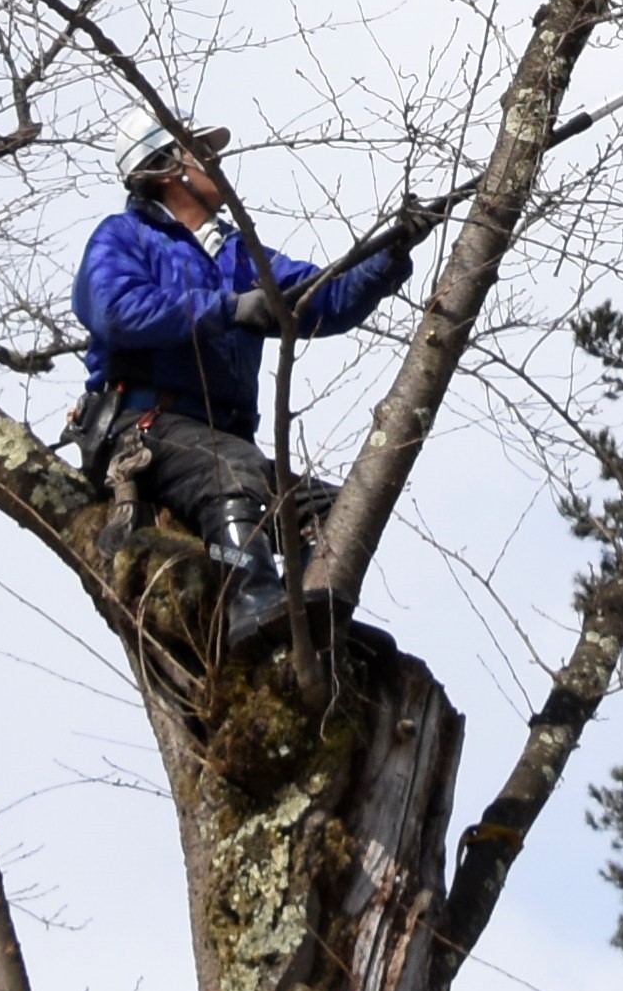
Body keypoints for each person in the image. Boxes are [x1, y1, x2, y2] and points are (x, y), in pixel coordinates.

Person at [73, 119, 416, 661]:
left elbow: (320, 298)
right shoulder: (124, 237)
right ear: (164, 169)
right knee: (231, 471)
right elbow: (115, 312)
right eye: (200, 153)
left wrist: (390, 252)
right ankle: (253, 600)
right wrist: (226, 309)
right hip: (146, 427)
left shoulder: (238, 255)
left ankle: (309, 619)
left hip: (219, 440)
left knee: (339, 508)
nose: (216, 162)